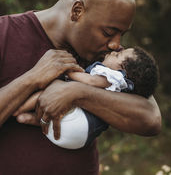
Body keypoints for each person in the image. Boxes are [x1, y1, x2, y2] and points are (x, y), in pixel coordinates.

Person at [0, 0, 162, 175]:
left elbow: (150, 119)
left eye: (122, 34)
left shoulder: (108, 59)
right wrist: (32, 79)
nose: (116, 44)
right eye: (108, 32)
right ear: (77, 11)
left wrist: (76, 93)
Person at [14, 46, 159, 150]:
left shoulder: (114, 77)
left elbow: (91, 81)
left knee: (53, 88)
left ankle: (17, 108)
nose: (115, 50)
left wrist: (68, 72)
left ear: (122, 69)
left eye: (117, 55)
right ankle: (29, 118)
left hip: (78, 125)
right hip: (77, 137)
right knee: (58, 102)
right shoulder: (123, 89)